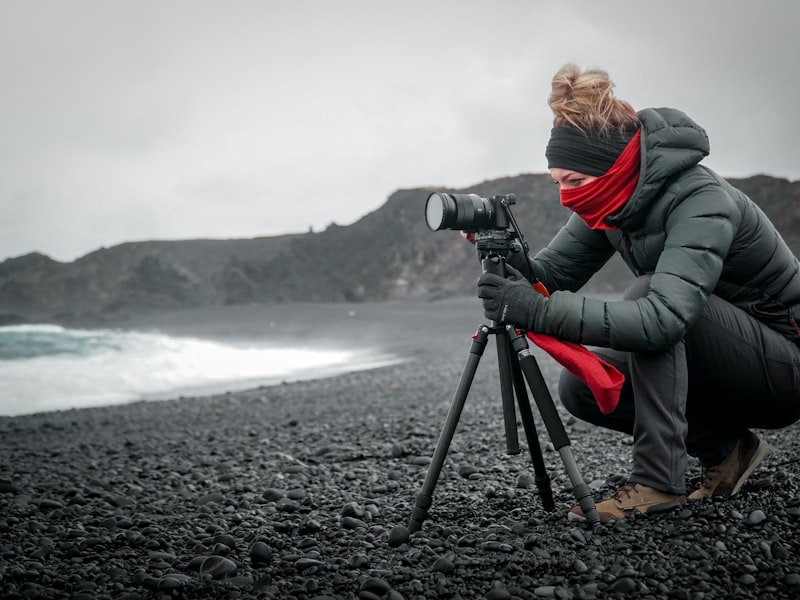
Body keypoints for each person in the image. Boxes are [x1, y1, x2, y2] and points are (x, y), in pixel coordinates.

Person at [476, 63, 800, 522]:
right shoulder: (610, 201)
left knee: (649, 299)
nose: (566, 196)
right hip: (719, 355)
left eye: (575, 182)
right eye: (557, 183)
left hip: (783, 370)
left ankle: (656, 482)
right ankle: (729, 451)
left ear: (613, 166)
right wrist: (508, 257)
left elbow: (663, 319)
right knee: (585, 383)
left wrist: (539, 311)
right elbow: (551, 275)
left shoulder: (701, 199)